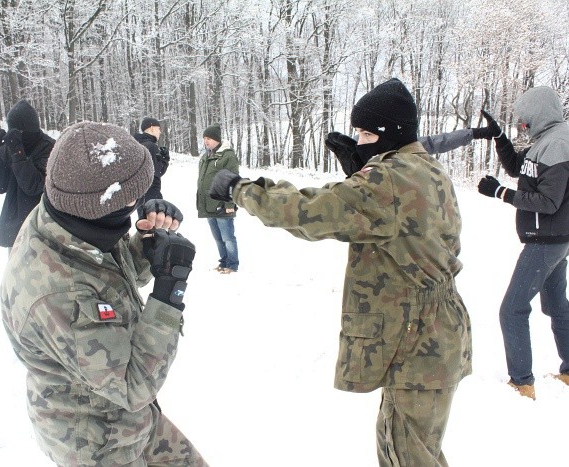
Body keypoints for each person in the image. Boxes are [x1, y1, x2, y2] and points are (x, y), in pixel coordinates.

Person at [210, 78, 472, 466]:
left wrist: (242, 189)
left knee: (411, 454)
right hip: (427, 331)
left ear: (391, 134)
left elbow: (308, 212)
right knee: (400, 443)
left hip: (418, 335)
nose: (360, 140)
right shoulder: (425, 168)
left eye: (367, 133)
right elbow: (389, 219)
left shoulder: (390, 178)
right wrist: (362, 173)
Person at [1, 121, 208, 466]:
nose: (140, 200)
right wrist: (169, 294)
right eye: (135, 196)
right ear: (103, 207)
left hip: (127, 419)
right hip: (97, 442)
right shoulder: (59, 292)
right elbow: (133, 385)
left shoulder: (63, 217)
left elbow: (102, 273)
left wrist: (146, 247)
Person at [476, 86, 569, 400]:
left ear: (538, 114)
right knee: (557, 305)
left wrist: (501, 193)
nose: (521, 124)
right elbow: (518, 167)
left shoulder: (557, 143)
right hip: (555, 239)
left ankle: (521, 383)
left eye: (523, 119)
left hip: (546, 241)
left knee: (511, 310)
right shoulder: (546, 140)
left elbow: (548, 202)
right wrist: (499, 136)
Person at [325, 110, 502, 177]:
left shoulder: (402, 146)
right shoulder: (356, 146)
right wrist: (353, 177)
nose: (364, 139)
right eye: (360, 132)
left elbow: (436, 142)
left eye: (368, 133)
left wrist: (475, 133)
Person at [0, 99, 55, 249]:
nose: (15, 135)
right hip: (15, 227)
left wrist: (19, 154)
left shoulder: (49, 148)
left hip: (42, 225)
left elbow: (34, 186)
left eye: (18, 132)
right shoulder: (12, 145)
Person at [197, 124, 240, 273]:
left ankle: (232, 265)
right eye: (204, 138)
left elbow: (233, 180)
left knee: (228, 237)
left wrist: (229, 202)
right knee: (218, 238)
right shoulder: (205, 156)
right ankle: (223, 262)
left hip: (222, 204)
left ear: (216, 139)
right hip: (209, 204)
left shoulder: (227, 156)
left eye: (209, 138)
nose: (206, 141)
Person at [133, 117, 170, 217]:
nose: (160, 132)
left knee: (144, 224)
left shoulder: (136, 145)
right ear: (152, 128)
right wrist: (165, 158)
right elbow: (158, 171)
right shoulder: (151, 146)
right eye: (159, 129)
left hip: (139, 194)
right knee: (154, 226)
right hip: (152, 193)